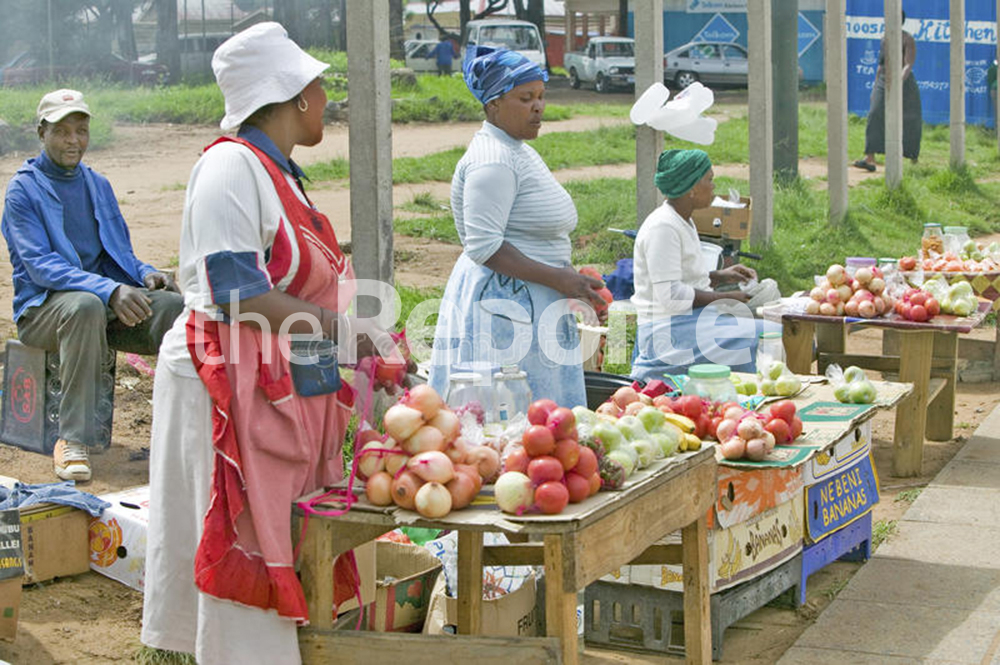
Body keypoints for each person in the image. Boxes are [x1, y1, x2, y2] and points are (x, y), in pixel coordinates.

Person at [140, 23, 388, 664]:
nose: (326, 97)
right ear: (294, 95)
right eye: (319, 85)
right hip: (225, 386)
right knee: (244, 519)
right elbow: (235, 290)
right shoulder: (229, 166)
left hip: (271, 376)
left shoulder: (277, 172)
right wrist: (341, 331)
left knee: (280, 518)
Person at [1, 89, 184, 482]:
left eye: (81, 131)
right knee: (83, 304)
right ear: (41, 133)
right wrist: (108, 291)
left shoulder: (97, 184)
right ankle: (73, 439)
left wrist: (146, 274)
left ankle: (183, 430)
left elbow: (118, 255)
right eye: (62, 131)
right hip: (43, 311)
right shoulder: (22, 190)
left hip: (97, 305)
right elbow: (40, 266)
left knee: (172, 308)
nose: (73, 141)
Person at [428, 46, 606, 408]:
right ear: (493, 104)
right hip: (504, 311)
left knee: (538, 418)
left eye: (541, 96)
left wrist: (566, 277)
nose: (538, 106)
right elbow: (484, 246)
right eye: (525, 98)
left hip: (530, 299)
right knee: (505, 415)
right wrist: (559, 279)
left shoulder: (514, 148)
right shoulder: (492, 160)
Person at [630, 149, 781, 382]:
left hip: (692, 320)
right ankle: (754, 398)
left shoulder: (682, 220)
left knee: (772, 331)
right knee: (768, 335)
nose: (713, 186)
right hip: (668, 331)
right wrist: (725, 298)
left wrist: (720, 276)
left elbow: (683, 280)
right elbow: (671, 295)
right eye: (709, 180)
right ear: (691, 189)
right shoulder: (663, 228)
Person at [854, 9, 921, 172]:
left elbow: (908, 65)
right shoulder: (884, 39)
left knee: (911, 118)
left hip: (904, 82)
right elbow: (880, 65)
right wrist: (875, 87)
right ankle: (870, 158)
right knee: (875, 113)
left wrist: (898, 82)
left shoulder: (908, 39)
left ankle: (912, 157)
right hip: (884, 80)